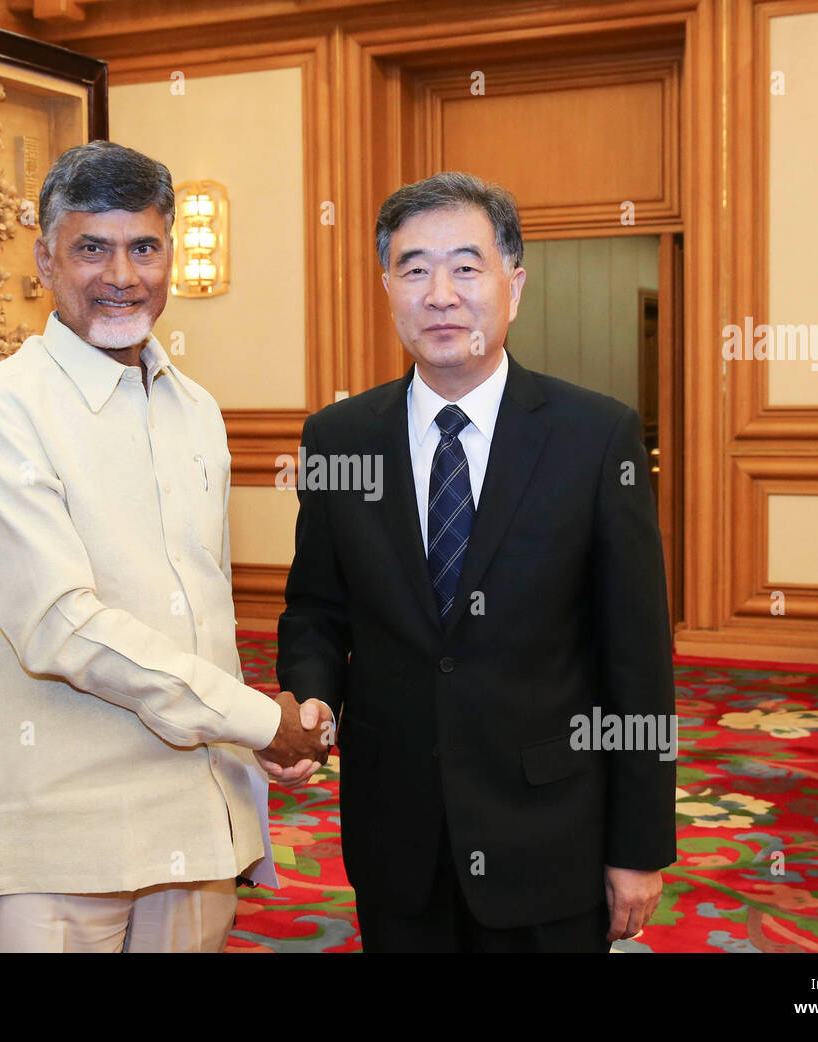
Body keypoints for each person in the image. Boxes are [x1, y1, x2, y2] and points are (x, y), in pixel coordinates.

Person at [0, 141, 328, 953]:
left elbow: (199, 615)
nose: (122, 275)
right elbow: (62, 628)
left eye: (143, 246)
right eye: (92, 248)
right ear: (46, 258)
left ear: (170, 254)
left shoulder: (198, 410)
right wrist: (258, 721)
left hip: (194, 824)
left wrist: (252, 740)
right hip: (60, 844)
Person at [271, 171, 677, 952]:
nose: (441, 294)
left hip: (549, 833)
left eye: (466, 266)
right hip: (396, 832)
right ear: (388, 288)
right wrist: (314, 699)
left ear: (512, 285)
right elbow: (316, 608)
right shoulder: (339, 438)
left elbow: (637, 661)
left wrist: (637, 845)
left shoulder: (594, 438)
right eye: (415, 269)